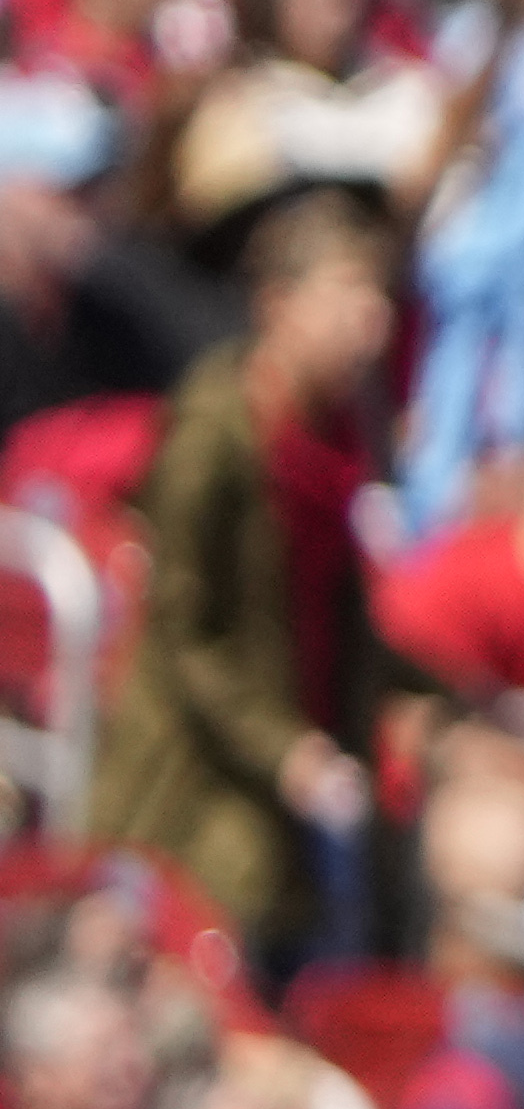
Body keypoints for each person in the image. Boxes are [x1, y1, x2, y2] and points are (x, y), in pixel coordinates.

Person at [86, 198, 397, 972]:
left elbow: (342, 607)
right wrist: (285, 751)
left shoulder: (340, 431)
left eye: (379, 296)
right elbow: (183, 633)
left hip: (314, 747)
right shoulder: (216, 431)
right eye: (347, 294)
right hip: (203, 772)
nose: (373, 323)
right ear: (276, 305)